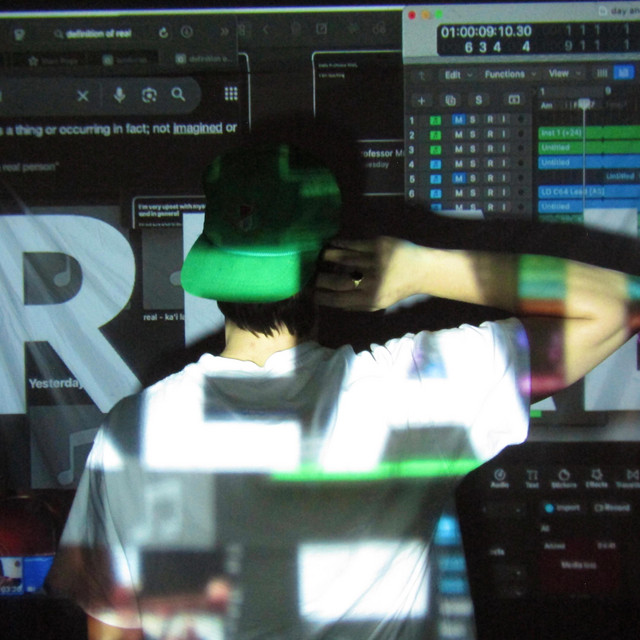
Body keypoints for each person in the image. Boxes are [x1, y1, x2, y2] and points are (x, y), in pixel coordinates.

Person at [46, 141, 638, 640]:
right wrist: (419, 269)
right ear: (329, 262)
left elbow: (113, 630)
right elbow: (618, 307)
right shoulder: (414, 393)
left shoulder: (132, 433)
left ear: (214, 264)